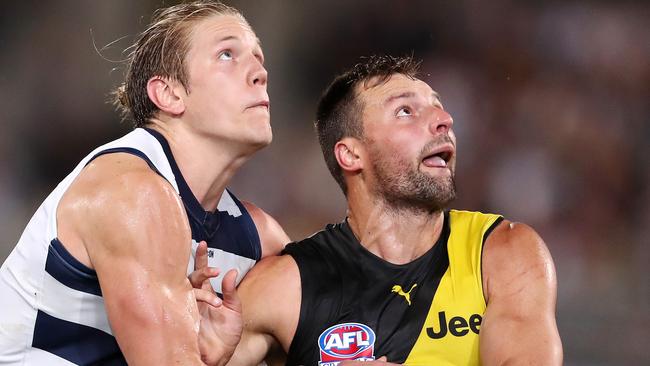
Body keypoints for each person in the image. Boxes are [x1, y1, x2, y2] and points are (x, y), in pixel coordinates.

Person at [223, 55, 563, 365]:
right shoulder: (286, 286)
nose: (445, 120)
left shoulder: (503, 253)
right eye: (405, 111)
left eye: (438, 107)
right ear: (351, 155)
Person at [0, 1, 288, 365]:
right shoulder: (130, 192)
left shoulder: (259, 237)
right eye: (227, 54)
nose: (259, 73)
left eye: (258, 57)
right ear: (168, 94)